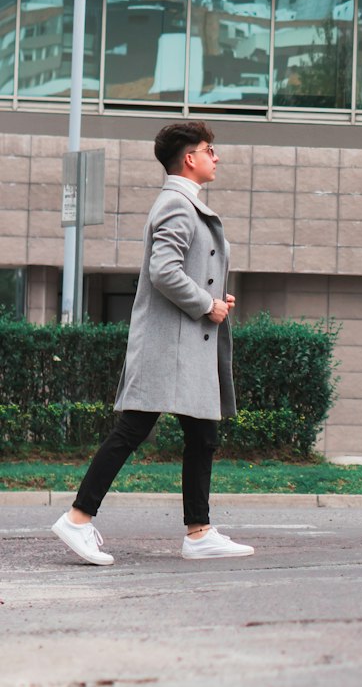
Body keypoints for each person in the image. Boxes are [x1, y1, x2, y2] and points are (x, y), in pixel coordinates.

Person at [52, 121, 254, 566]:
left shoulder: (184, 204)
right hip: (170, 346)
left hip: (182, 345)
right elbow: (163, 271)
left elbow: (182, 269)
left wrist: (214, 299)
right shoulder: (177, 206)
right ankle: (77, 518)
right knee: (132, 431)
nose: (215, 157)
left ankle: (199, 532)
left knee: (202, 434)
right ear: (189, 158)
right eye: (209, 150)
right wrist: (207, 305)